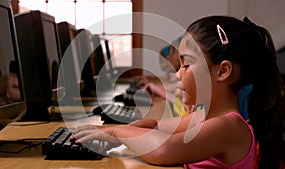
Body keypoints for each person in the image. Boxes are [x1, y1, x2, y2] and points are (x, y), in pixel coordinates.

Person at [71, 16, 285, 169]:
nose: (176, 74)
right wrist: (125, 133)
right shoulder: (200, 118)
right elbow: (154, 126)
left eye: (186, 65)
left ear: (222, 71)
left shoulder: (229, 126)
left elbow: (163, 150)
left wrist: (115, 133)